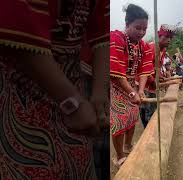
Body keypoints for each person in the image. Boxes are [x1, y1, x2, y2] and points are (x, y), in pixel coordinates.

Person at [0, 0, 108, 179]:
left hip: (73, 85)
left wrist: (100, 93)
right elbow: (18, 28)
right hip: (21, 86)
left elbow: (101, 29)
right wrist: (73, 102)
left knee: (79, 165)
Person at [110, 4, 154, 167]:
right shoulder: (116, 38)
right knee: (119, 120)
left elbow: (144, 70)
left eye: (144, 29)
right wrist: (131, 93)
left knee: (132, 117)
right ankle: (119, 155)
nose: (142, 32)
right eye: (138, 28)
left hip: (131, 86)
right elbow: (115, 74)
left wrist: (140, 90)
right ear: (127, 24)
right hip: (116, 85)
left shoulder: (143, 46)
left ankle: (128, 146)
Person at [139, 24, 176, 128]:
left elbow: (158, 66)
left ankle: (150, 127)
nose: (168, 40)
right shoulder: (151, 48)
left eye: (170, 38)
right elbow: (144, 68)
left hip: (152, 84)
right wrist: (153, 80)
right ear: (159, 37)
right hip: (144, 83)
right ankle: (148, 131)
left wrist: (160, 76)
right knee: (147, 109)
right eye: (166, 37)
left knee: (152, 108)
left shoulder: (163, 50)